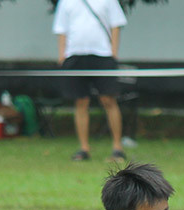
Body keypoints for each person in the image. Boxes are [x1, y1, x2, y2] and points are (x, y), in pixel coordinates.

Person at [52, 0, 128, 163]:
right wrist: (62, 55)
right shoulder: (65, 2)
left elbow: (116, 25)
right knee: (81, 101)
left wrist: (113, 53)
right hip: (75, 55)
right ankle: (84, 148)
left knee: (108, 100)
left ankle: (117, 147)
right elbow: (61, 28)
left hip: (103, 55)